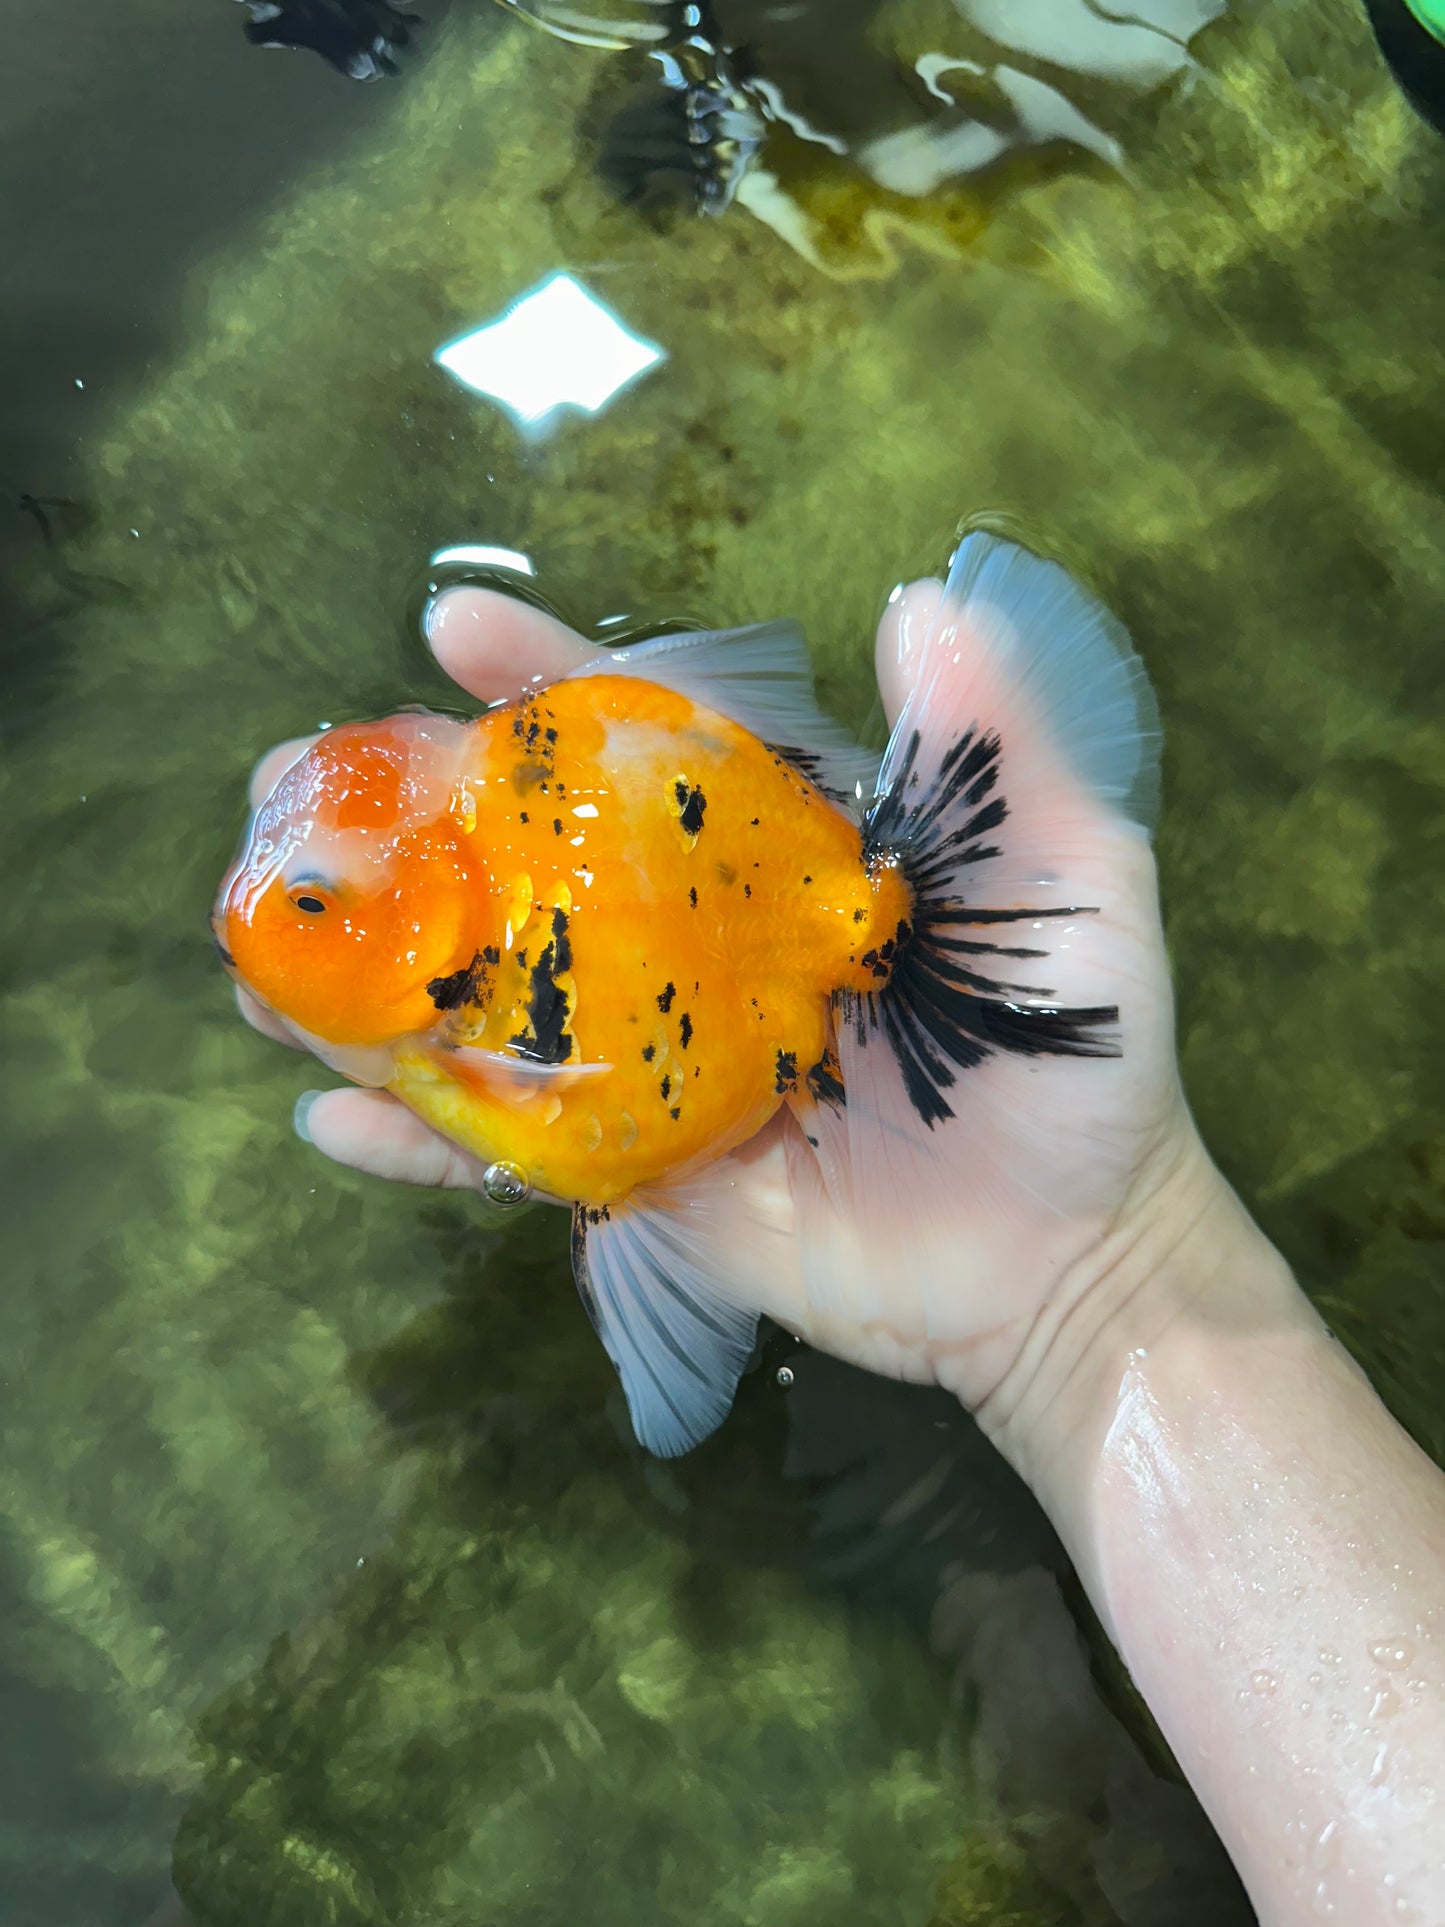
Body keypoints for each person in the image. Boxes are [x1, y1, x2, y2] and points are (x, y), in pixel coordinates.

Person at [239, 576, 1445, 1924]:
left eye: (303, 903)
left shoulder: (480, 973)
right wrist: (1102, 1306)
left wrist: (1102, 1289)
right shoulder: (456, 952)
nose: (254, 911)